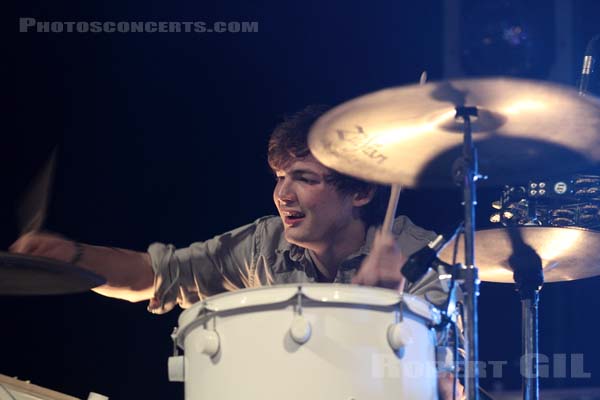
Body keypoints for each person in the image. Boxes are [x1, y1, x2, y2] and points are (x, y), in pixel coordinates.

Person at [10, 105, 462, 399]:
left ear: (360, 192)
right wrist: (70, 256)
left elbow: (451, 387)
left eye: (304, 179)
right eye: (279, 177)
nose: (282, 194)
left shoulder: (425, 258)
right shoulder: (262, 245)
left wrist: (383, 312)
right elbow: (157, 276)